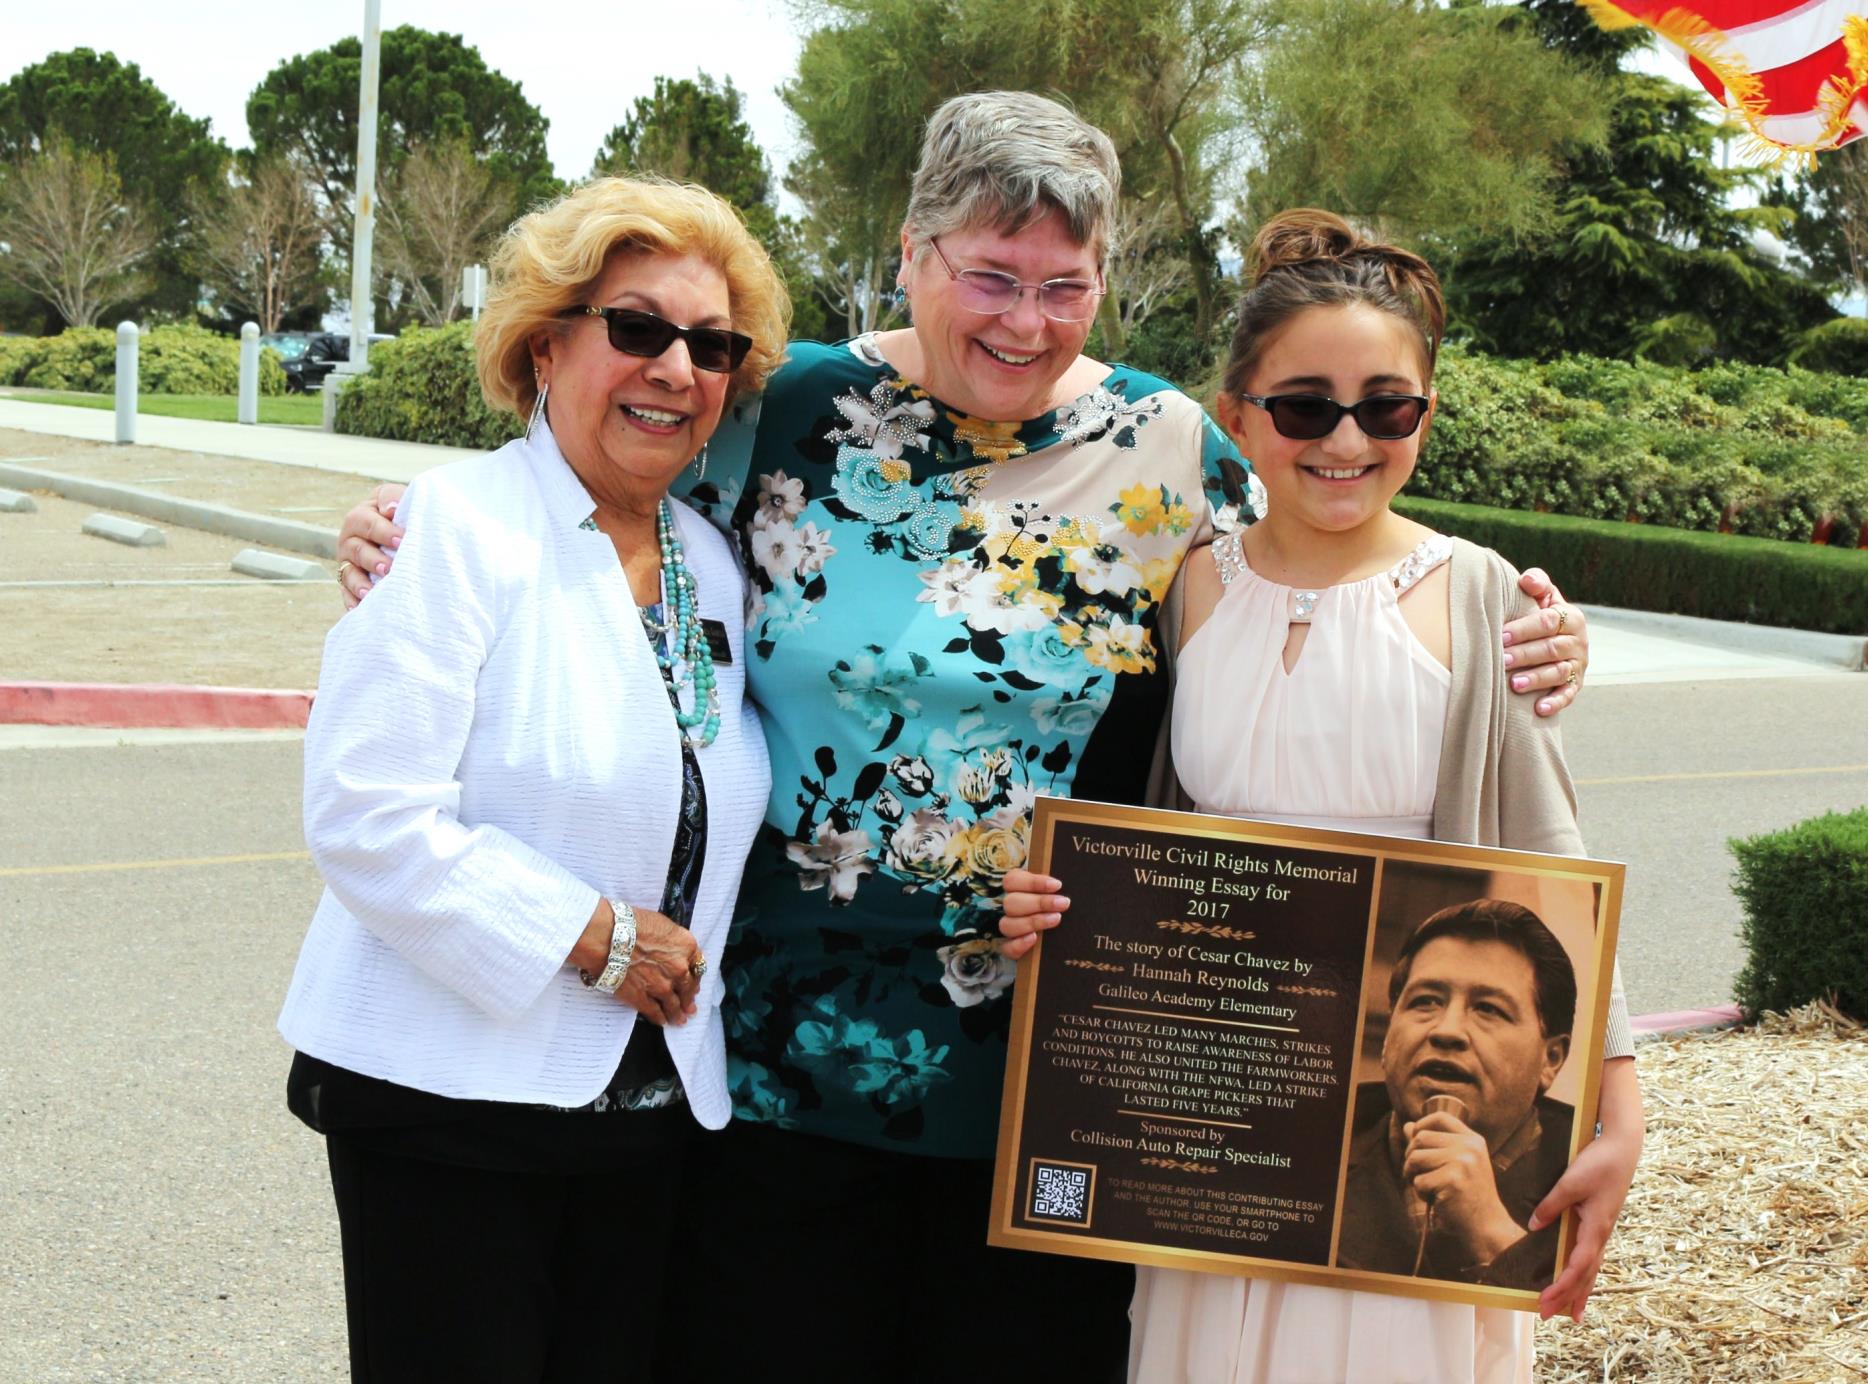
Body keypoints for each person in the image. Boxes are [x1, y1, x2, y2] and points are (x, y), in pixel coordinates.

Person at [331, 95, 1592, 1381]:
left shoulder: (1164, 445)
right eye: (991, 275)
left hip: (1058, 1070)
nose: (1024, 320)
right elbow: (595, 486)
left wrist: (1527, 619)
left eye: (1065, 285)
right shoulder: (786, 409)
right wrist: (395, 523)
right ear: (912, 255)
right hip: (774, 1056)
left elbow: (1328, 538)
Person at [1000, 209, 1643, 1384]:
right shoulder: (1189, 591)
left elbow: (1555, 856)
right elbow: (1132, 829)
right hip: (1213, 1119)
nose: (1345, 438)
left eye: (1385, 406)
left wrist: (1620, 1113)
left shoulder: (1481, 593)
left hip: (1398, 1163)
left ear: (1425, 415)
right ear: (1239, 416)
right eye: (1303, 406)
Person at [281, 177, 783, 1383]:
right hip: (448, 1106)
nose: (677, 367)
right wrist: (596, 935)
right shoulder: (450, 527)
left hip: (647, 1115)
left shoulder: (710, 559)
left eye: (712, 346)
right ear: (546, 344)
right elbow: (368, 817)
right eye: (638, 327)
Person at [1337, 900, 1580, 1290]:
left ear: (1550, 1059)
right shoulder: (1308, 1146)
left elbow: (1574, 1333)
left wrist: (1491, 1233)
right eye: (1425, 1001)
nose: (1446, 1030)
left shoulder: (1587, 1173)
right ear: (1386, 1040)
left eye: (1488, 1009)